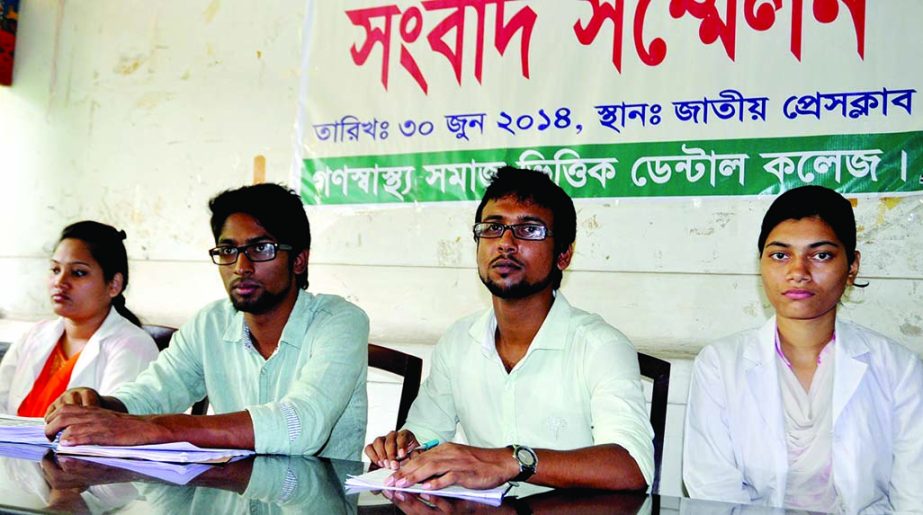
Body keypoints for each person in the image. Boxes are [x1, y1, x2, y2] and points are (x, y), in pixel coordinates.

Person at [366, 166, 654, 491]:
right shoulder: (459, 341)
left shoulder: (600, 346)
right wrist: (401, 449)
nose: (505, 243)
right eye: (492, 227)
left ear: (564, 255)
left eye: (529, 230)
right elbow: (424, 437)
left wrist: (510, 461)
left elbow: (632, 468)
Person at [44, 183, 369, 460]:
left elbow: (301, 425)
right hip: (232, 498)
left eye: (261, 248)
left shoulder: (340, 322)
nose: (241, 266)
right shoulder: (210, 323)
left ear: (298, 260)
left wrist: (153, 429)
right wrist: (102, 405)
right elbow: (153, 393)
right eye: (228, 250)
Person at [683, 186, 923, 512]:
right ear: (762, 265)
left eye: (820, 255)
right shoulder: (719, 365)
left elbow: (915, 499)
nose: (798, 272)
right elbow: (712, 492)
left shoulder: (900, 369)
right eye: (780, 255)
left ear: (852, 266)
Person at [0, 221, 158, 416]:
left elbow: (114, 427)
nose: (60, 282)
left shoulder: (133, 345)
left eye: (78, 273)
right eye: (55, 270)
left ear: (114, 284)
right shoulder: (34, 335)